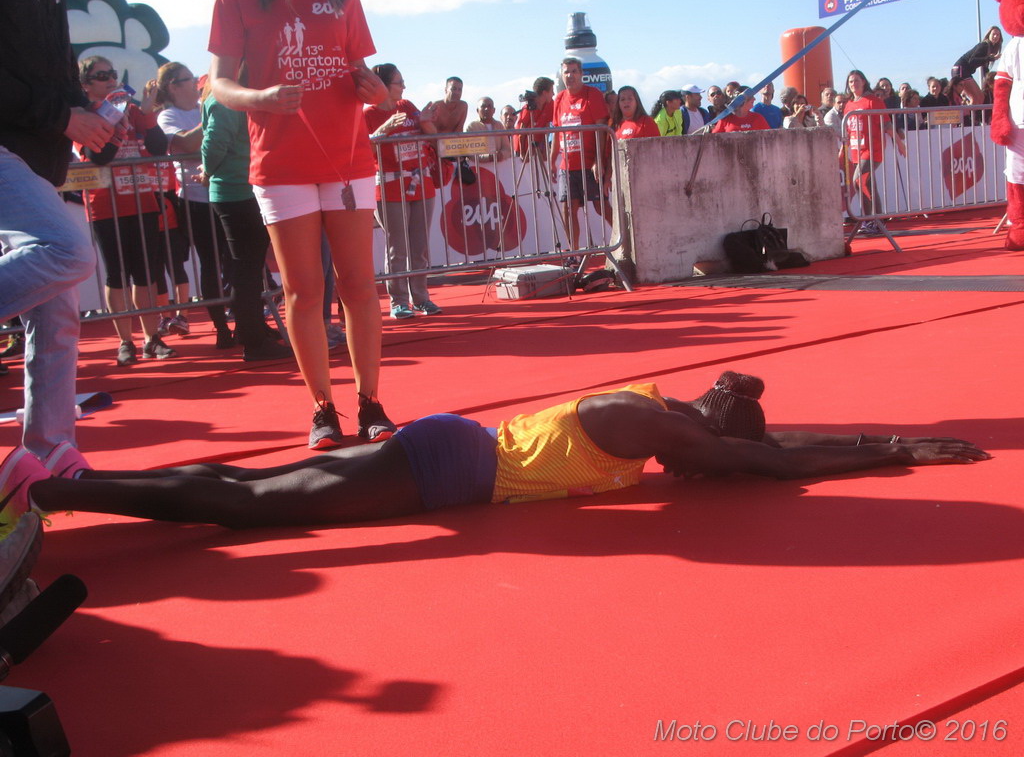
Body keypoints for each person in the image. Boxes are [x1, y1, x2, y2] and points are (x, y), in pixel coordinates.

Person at [2, 372, 991, 532]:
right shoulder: (655, 429)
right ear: (703, 434)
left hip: (449, 454)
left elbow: (768, 448)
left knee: (254, 489)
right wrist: (897, 450)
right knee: (256, 506)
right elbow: (771, 465)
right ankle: (57, 495)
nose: (701, 475)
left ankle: (71, 484)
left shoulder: (662, 412)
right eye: (712, 459)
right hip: (444, 470)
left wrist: (880, 442)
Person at [208, 0, 396, 449]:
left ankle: (370, 403)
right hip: (280, 164)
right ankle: (322, 408)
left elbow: (359, 70)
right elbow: (220, 84)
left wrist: (376, 91)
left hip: (347, 160)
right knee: (302, 290)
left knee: (358, 284)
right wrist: (261, 97)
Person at [0, 0, 110, 465]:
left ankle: (49, 458)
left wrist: (91, 122)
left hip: (37, 157)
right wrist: (65, 116)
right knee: (68, 250)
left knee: (57, 314)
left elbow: (60, 72)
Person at [75, 56, 177, 366]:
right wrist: (115, 120)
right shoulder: (83, 115)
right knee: (117, 274)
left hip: (141, 200)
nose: (110, 79)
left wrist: (147, 113)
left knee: (145, 273)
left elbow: (158, 147)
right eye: (101, 75)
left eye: (112, 73)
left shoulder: (133, 109)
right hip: (105, 206)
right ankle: (125, 341)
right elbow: (99, 155)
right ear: (85, 85)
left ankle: (151, 338)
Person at [200, 88, 292, 362]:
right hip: (238, 190)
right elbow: (214, 142)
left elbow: (215, 142)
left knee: (248, 267)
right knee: (246, 268)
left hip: (242, 189)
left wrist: (209, 170)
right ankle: (253, 339)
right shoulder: (225, 99)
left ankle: (252, 331)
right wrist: (208, 169)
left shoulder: (225, 98)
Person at [156, 62, 234, 351]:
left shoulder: (205, 107)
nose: (195, 84)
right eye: (189, 79)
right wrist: (218, 113)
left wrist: (215, 111)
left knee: (237, 261)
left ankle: (248, 321)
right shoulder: (168, 116)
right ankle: (221, 327)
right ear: (173, 86)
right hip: (195, 199)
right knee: (210, 263)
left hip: (227, 192)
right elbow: (187, 144)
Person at [364, 64, 441, 321]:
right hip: (389, 188)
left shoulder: (407, 106)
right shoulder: (368, 114)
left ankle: (421, 297)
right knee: (397, 248)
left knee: (420, 247)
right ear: (384, 86)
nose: (404, 87)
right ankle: (398, 302)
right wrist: (382, 131)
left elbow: (433, 137)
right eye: (399, 82)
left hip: (421, 184)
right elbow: (363, 151)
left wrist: (426, 122)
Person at [550, 57, 613, 251]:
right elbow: (557, 132)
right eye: (566, 72)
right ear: (562, 75)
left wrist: (598, 160)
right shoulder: (559, 98)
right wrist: (552, 161)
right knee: (568, 208)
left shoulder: (592, 94)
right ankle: (574, 252)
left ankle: (624, 242)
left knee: (600, 206)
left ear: (581, 74)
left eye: (574, 71)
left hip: (590, 163)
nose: (570, 75)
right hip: (567, 165)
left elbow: (601, 130)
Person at [841, 69, 907, 230]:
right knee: (868, 184)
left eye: (856, 80)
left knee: (859, 180)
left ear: (863, 82)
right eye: (851, 81)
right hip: (856, 150)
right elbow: (848, 131)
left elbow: (887, 124)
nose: (853, 84)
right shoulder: (849, 105)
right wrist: (843, 149)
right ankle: (878, 220)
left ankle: (869, 218)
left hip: (872, 149)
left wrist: (899, 143)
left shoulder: (873, 101)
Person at [953, 26, 1003, 107]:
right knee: (975, 98)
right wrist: (990, 58)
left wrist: (989, 81)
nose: (995, 36)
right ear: (989, 35)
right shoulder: (984, 45)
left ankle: (972, 113)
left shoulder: (990, 48)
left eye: (998, 35)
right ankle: (969, 114)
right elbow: (972, 61)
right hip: (961, 69)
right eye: (993, 34)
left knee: (980, 97)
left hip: (965, 70)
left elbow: (984, 68)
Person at [514, 76, 555, 159]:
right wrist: (522, 153)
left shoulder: (550, 104)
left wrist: (545, 150)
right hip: (523, 148)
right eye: (551, 91)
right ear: (544, 93)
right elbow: (522, 132)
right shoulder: (528, 107)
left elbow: (547, 127)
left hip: (537, 147)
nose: (553, 94)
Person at [466, 96, 511, 163]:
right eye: (483, 106)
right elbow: (469, 153)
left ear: (494, 110)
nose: (486, 109)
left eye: (489, 106)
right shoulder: (472, 127)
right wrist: (489, 157)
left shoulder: (499, 126)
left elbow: (507, 149)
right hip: (478, 167)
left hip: (499, 167)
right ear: (477, 110)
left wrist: (501, 155)